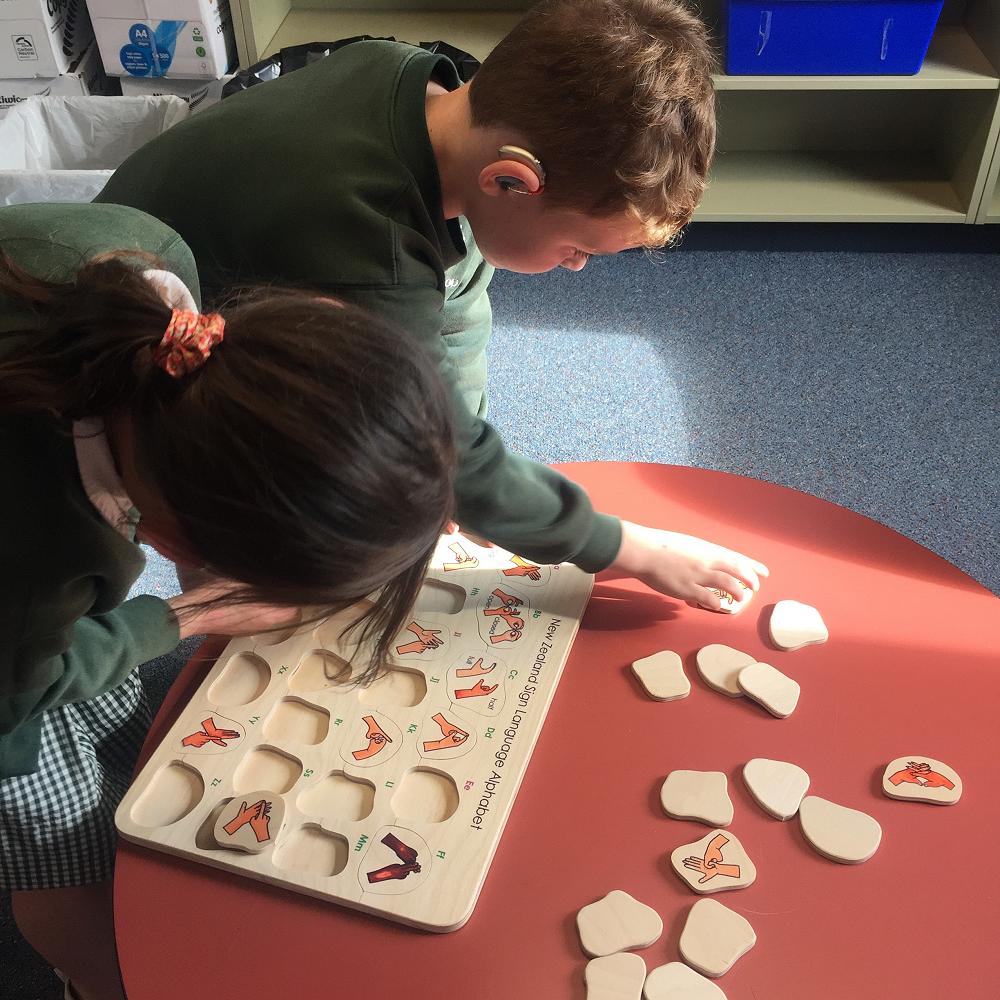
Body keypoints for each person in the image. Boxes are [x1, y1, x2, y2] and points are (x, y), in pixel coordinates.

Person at [96, 0, 769, 612]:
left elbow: (459, 307)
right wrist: (628, 548)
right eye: (576, 248)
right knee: (246, 535)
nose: (576, 267)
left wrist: (451, 458)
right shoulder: (370, 253)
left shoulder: (436, 92)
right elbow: (435, 440)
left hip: (208, 278)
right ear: (511, 181)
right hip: (126, 363)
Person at [0, 201, 456, 1000]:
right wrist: (186, 615)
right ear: (177, 541)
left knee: (118, 719)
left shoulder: (151, 276)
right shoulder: (44, 562)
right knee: (60, 848)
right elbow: (20, 689)